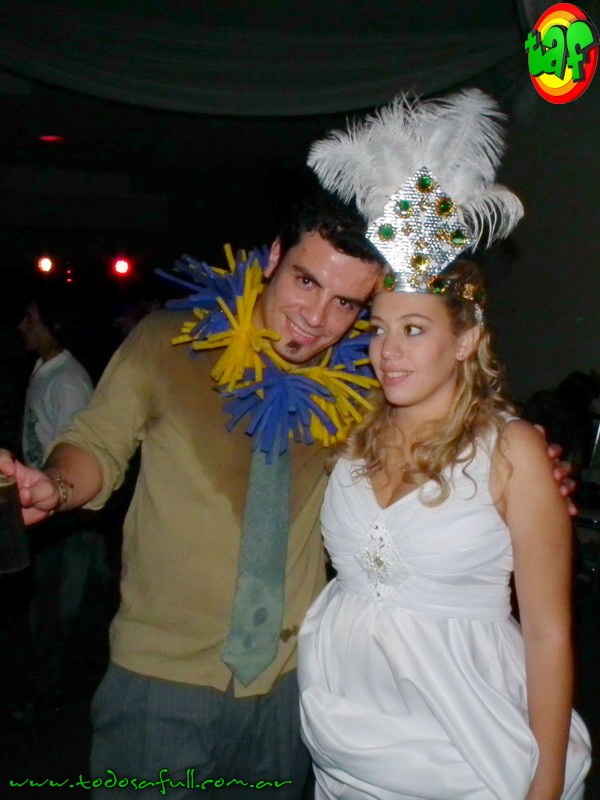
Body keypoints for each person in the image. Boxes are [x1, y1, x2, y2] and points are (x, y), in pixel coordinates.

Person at [0, 150, 576, 795]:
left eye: (346, 303)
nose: (316, 317)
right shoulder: (168, 342)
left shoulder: (365, 388)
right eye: (305, 281)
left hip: (294, 687)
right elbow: (94, 446)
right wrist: (55, 485)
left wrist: (532, 471)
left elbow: (452, 431)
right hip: (161, 680)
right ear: (274, 256)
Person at [298, 90, 591, 798]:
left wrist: (546, 783)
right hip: (343, 741)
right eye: (378, 328)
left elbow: (548, 634)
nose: (387, 351)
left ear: (465, 340)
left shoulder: (512, 452)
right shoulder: (348, 429)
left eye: (415, 330)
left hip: (466, 747)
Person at [17, 288, 109, 707]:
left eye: (31, 318)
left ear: (52, 327)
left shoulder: (68, 381)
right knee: (49, 606)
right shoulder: (44, 371)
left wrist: (59, 497)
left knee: (58, 609)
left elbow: (80, 455)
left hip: (69, 521)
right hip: (49, 516)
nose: (23, 326)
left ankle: (49, 698)